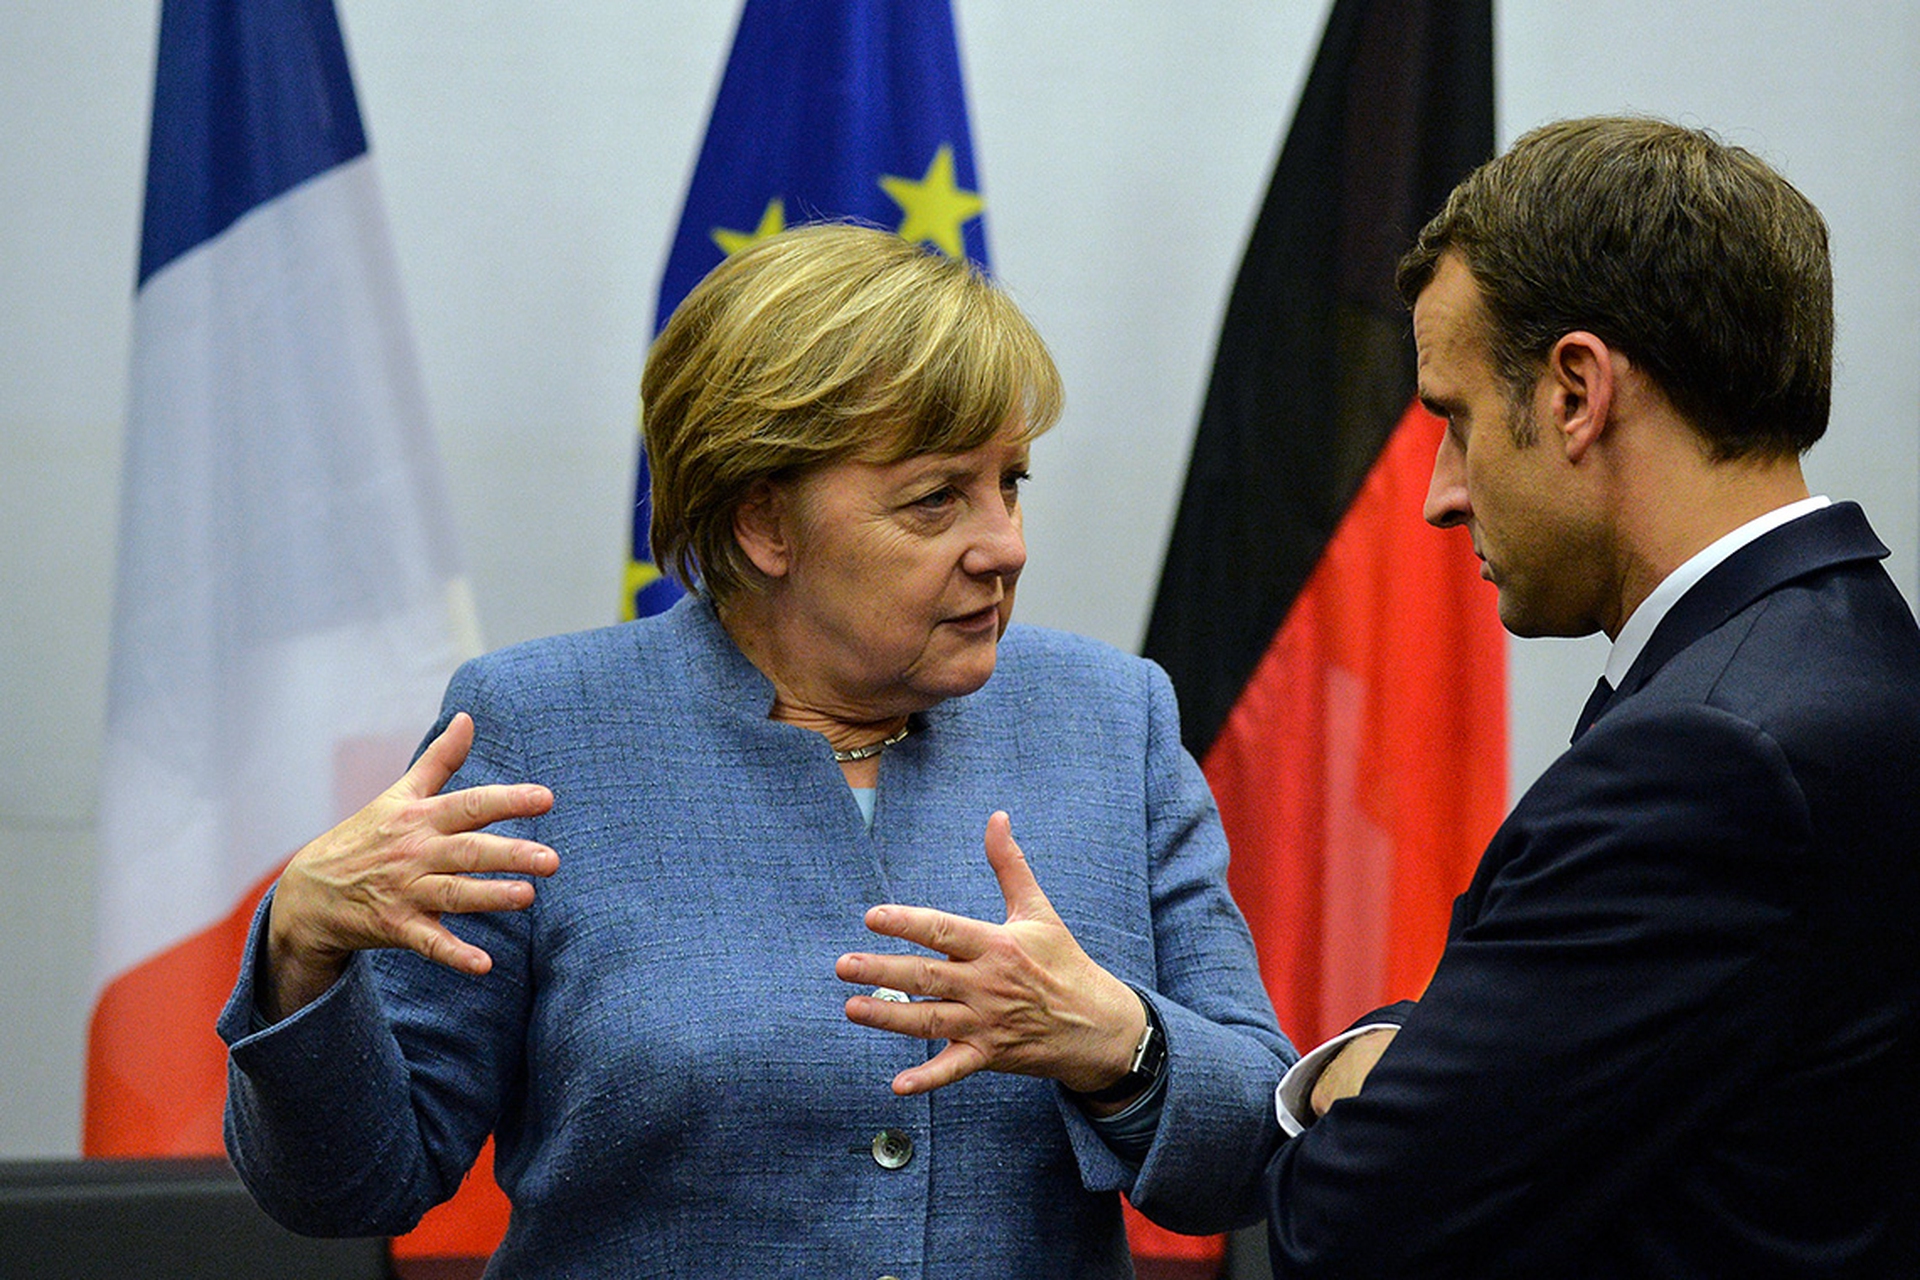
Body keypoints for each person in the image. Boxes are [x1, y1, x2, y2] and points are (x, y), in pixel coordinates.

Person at [219, 223, 1294, 1278]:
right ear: (763, 525)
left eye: (1009, 482)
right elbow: (358, 1184)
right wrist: (299, 953)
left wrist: (1117, 1042)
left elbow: (1260, 1148)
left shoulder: (1110, 719)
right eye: (937, 499)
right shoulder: (541, 726)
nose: (1005, 544)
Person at [1262, 117, 1920, 1276]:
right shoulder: (1855, 649)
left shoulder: (1709, 760)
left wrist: (1354, 1069)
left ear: (1576, 391)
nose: (1441, 494)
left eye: (1457, 419)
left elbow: (1344, 1228)